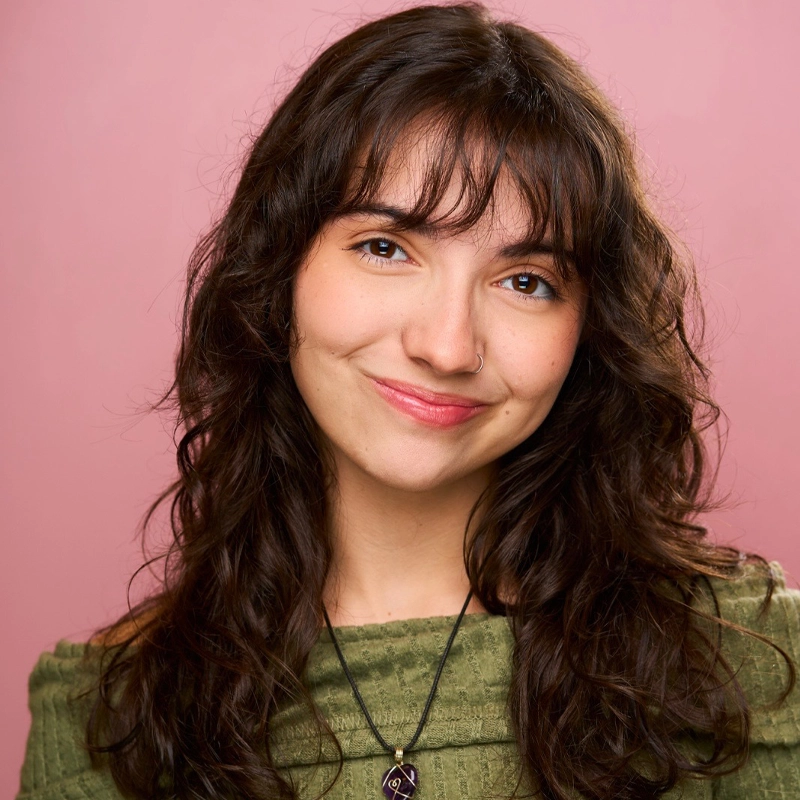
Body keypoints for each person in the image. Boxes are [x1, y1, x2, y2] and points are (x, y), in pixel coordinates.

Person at [16, 3, 800, 799]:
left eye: (526, 281)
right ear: (279, 270)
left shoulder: (744, 661)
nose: (448, 347)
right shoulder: (106, 716)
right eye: (386, 248)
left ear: (589, 328)